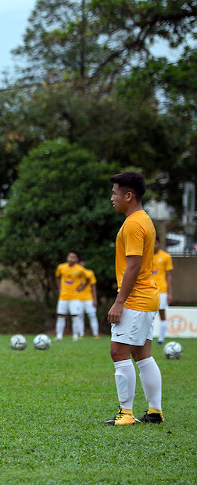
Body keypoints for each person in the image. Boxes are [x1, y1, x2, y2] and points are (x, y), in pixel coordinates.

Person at [105, 171, 164, 425]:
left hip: (136, 299)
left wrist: (120, 302)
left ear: (129, 196)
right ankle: (154, 412)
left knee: (118, 351)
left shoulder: (133, 224)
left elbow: (133, 266)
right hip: (147, 296)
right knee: (143, 354)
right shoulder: (144, 220)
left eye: (115, 193)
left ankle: (126, 414)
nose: (112, 198)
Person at [55, 250, 87, 341]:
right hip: (63, 296)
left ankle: (75, 336)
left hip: (74, 297)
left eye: (73, 257)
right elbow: (57, 277)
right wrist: (59, 288)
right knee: (61, 315)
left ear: (77, 259)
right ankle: (59, 335)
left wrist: (81, 288)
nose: (71, 259)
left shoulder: (80, 269)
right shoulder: (61, 267)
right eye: (69, 257)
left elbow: (87, 279)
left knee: (75, 316)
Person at [152, 236, 174, 344]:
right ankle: (147, 339)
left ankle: (161, 339)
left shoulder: (166, 257)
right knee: (148, 315)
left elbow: (169, 276)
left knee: (162, 314)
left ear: (159, 243)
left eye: (155, 243)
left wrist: (170, 293)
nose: (153, 245)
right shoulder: (145, 256)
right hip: (149, 290)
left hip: (161, 290)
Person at [76, 259, 100, 339]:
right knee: (79, 316)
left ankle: (96, 334)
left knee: (92, 316)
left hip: (88, 298)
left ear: (84, 263)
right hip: (77, 299)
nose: (80, 264)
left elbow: (93, 287)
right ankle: (81, 335)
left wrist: (95, 299)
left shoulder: (89, 273)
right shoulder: (74, 274)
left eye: (81, 262)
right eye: (78, 263)